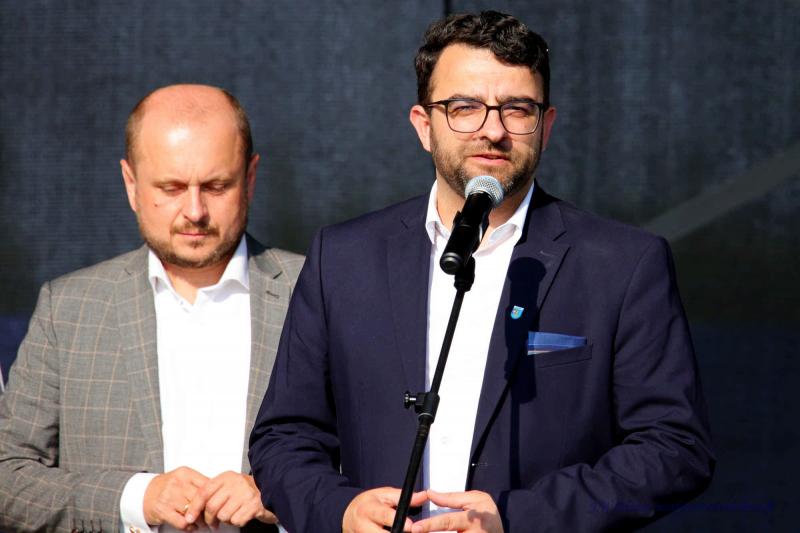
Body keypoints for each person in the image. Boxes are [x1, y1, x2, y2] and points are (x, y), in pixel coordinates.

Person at [249, 10, 715, 533]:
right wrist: (342, 511)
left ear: (547, 126)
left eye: (517, 109)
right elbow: (283, 437)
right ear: (423, 125)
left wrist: (517, 520)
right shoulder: (343, 258)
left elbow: (675, 447)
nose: (493, 130)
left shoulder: (623, 264)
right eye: (464, 108)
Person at [0, 84, 304, 533]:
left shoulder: (315, 291)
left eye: (217, 186)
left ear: (251, 178)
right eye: (172, 188)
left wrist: (284, 491)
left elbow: (378, 459)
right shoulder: (69, 309)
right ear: (131, 184)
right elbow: (8, 478)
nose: (195, 211)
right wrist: (137, 498)